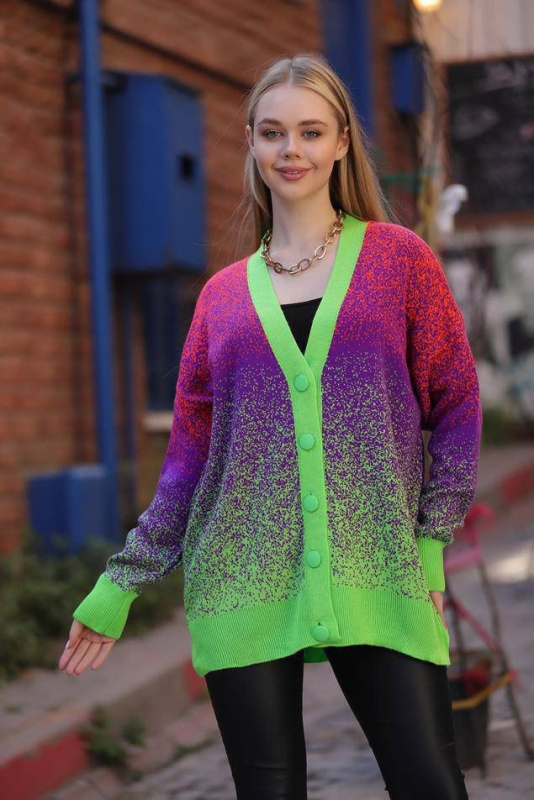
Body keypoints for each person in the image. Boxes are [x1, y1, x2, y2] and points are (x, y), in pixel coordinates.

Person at [59, 53, 482, 800]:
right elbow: (188, 462)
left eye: (311, 132)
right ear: (251, 141)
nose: (292, 150)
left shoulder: (398, 261)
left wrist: (430, 537)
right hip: (240, 579)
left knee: (430, 785)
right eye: (273, 132)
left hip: (381, 569)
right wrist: (121, 581)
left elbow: (457, 403)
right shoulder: (221, 300)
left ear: (342, 142)